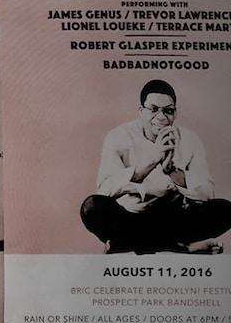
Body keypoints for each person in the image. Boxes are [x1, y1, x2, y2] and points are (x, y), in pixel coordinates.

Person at [81, 79, 231, 253]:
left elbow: (207, 194)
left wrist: (171, 171)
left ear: (175, 114)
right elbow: (104, 192)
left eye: (168, 111)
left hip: (174, 219)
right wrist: (151, 161)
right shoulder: (118, 136)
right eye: (153, 109)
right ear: (141, 111)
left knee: (225, 210)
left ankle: (125, 243)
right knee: (91, 207)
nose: (160, 117)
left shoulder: (191, 139)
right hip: (131, 217)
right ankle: (182, 247)